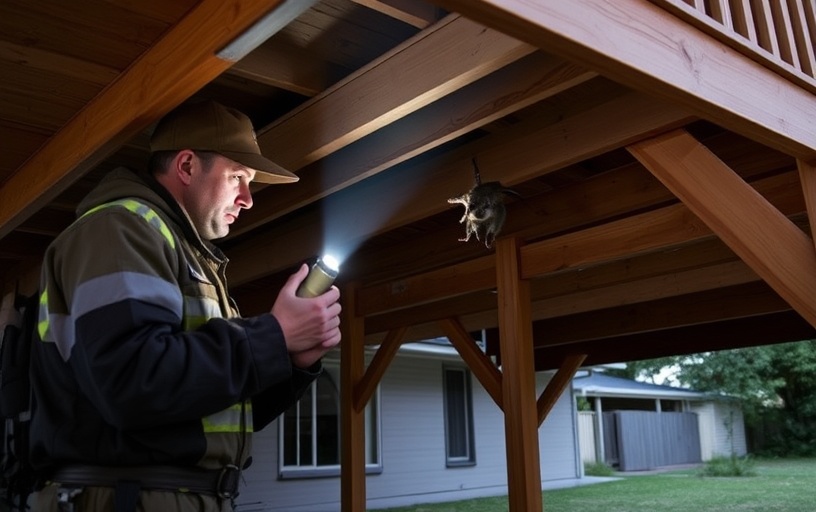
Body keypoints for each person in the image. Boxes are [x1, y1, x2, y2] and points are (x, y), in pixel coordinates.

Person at [28, 100, 342, 511]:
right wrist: (273, 335)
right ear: (188, 166)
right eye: (237, 177)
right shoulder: (121, 227)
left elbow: (214, 407)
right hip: (124, 498)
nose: (248, 198)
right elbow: (132, 382)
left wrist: (290, 360)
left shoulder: (188, 256)